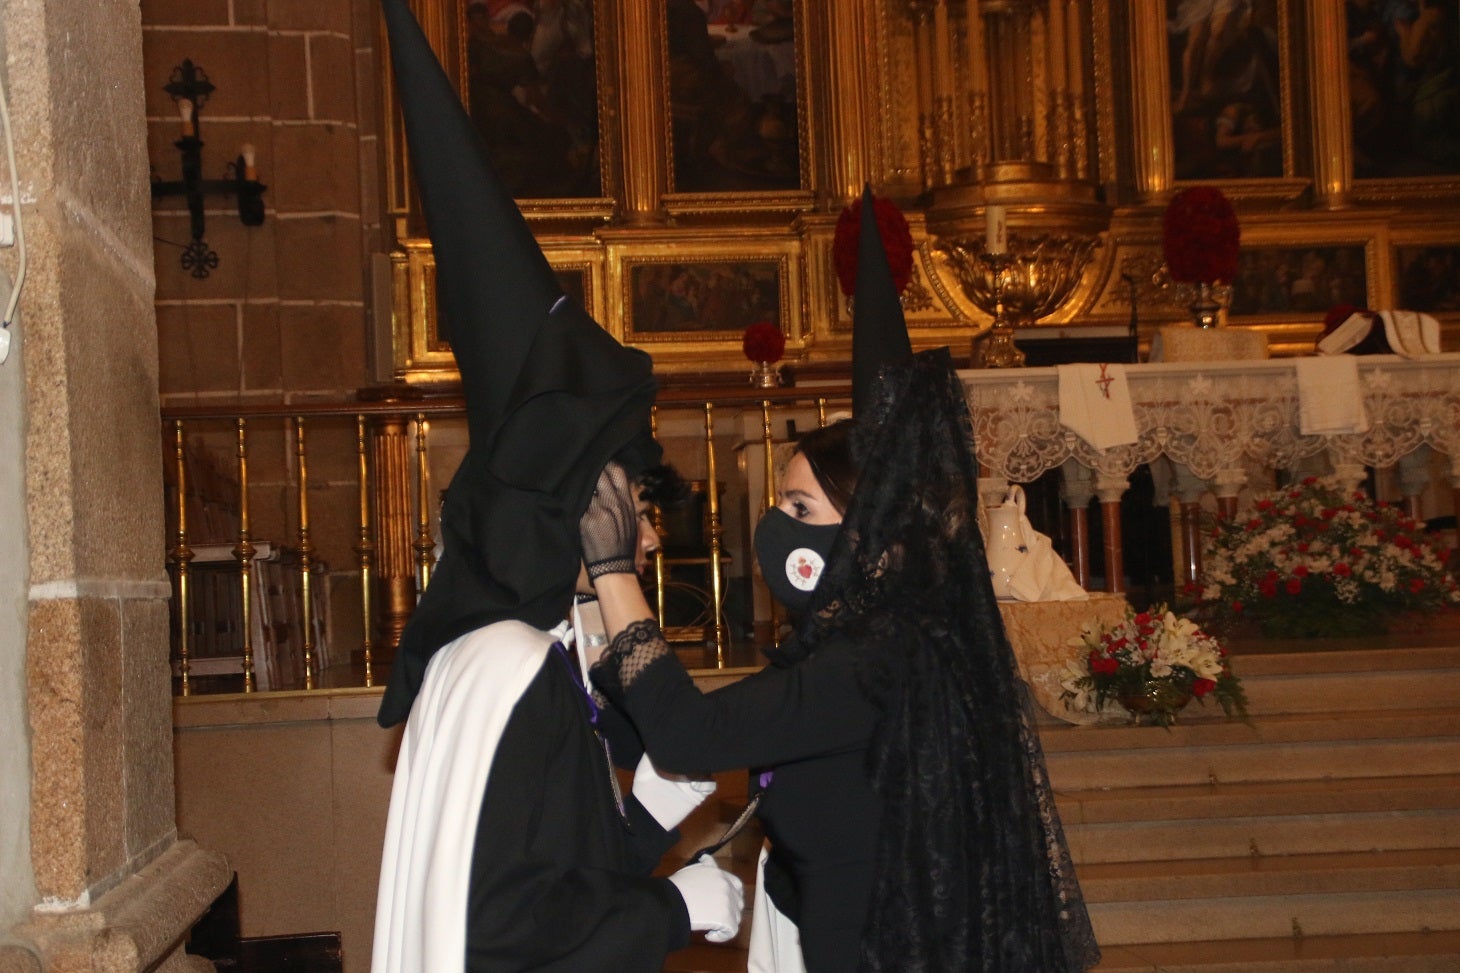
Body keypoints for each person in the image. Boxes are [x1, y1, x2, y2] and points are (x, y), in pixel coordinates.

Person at [587, 189, 1101, 972]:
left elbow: (692, 737)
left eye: (800, 504)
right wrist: (585, 677)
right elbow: (699, 725)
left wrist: (613, 566)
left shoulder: (876, 660)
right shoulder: (866, 635)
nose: (778, 525)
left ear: (869, 533)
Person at [373, 3, 743, 970]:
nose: (648, 539)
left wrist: (650, 815)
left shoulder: (505, 648)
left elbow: (555, 884)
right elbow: (506, 938)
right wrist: (671, 910)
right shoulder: (518, 671)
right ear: (567, 508)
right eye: (631, 504)